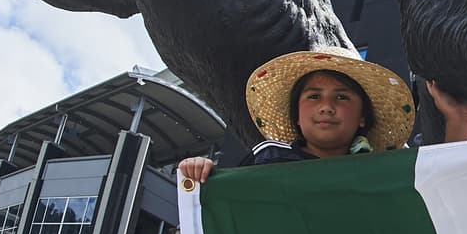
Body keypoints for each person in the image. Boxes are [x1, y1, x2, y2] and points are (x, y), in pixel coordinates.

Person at [178, 47, 416, 183]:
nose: (326, 107)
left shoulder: (378, 176)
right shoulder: (269, 157)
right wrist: (201, 174)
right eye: (313, 96)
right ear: (297, 117)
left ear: (363, 117)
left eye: (342, 97)